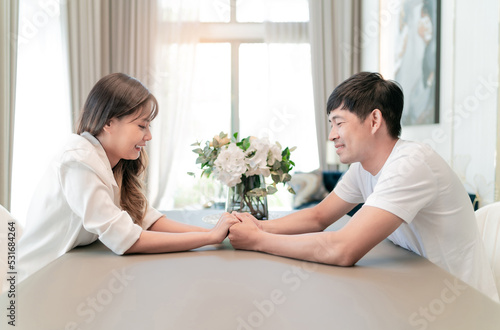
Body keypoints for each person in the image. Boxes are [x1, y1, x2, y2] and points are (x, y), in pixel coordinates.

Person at [228, 72, 499, 302]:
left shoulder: (411, 165)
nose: (332, 135)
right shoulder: (363, 167)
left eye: (339, 123)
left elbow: (343, 249)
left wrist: (258, 240)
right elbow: (318, 216)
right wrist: (256, 225)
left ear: (374, 120)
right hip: (417, 288)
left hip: (463, 302)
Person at [18, 73, 238, 282]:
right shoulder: (79, 161)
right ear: (109, 123)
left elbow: (146, 218)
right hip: (35, 280)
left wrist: (216, 233)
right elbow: (125, 239)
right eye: (141, 125)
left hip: (67, 272)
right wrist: (210, 238)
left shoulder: (111, 161)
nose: (149, 135)